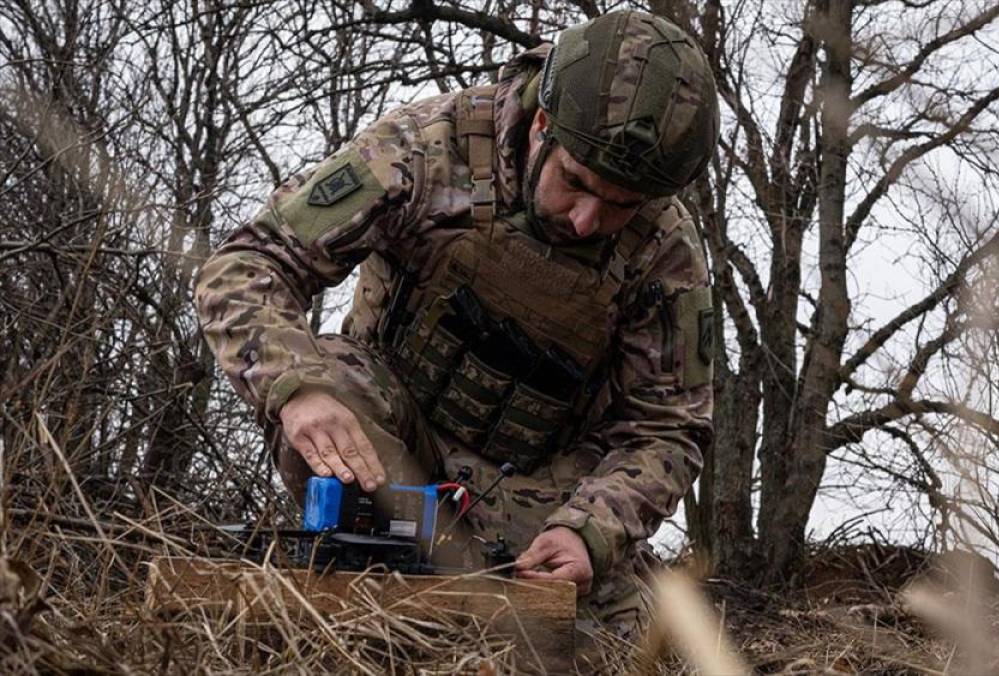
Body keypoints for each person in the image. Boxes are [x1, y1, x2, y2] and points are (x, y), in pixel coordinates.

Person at [194, 8, 718, 662]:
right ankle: (370, 589)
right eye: (577, 184)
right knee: (331, 376)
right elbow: (250, 263)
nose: (588, 220)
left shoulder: (665, 253)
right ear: (543, 125)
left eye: (620, 205)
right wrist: (295, 389)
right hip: (389, 438)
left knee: (633, 649)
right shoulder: (423, 148)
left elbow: (669, 423)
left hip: (535, 492)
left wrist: (591, 533)